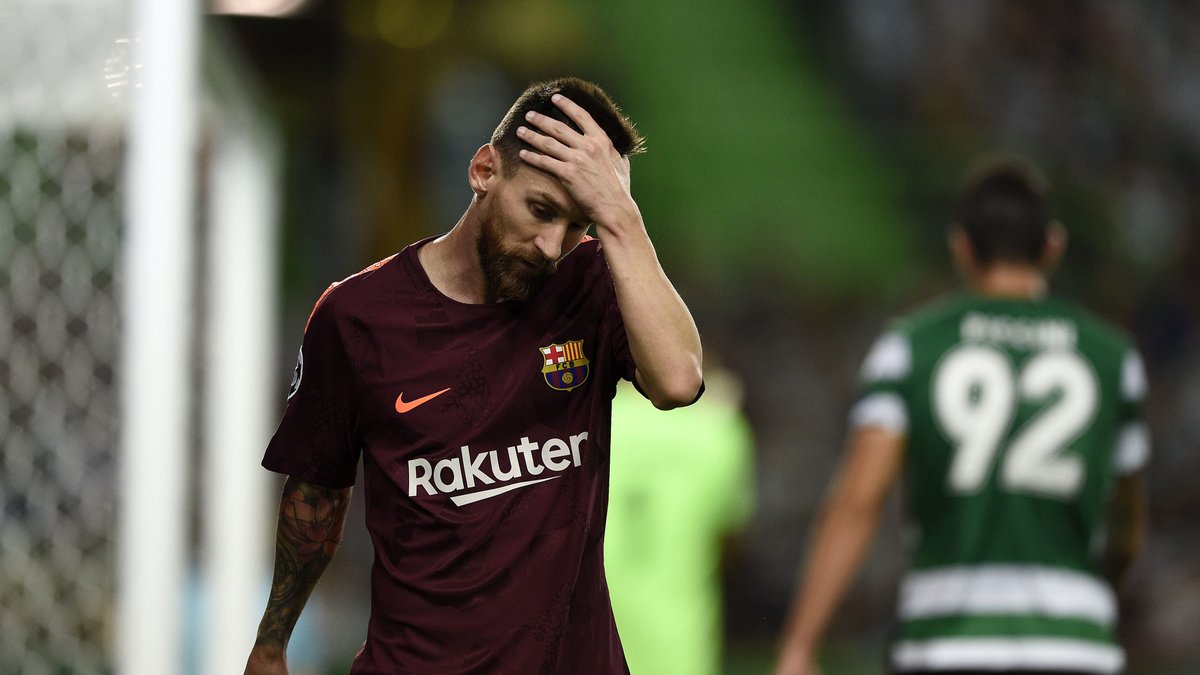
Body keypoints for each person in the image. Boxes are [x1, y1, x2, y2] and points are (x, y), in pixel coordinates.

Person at [243, 77, 704, 675]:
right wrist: (272, 644)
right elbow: (317, 492)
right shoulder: (357, 316)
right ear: (485, 170)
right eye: (541, 210)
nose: (551, 245)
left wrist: (621, 219)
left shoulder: (592, 282)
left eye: (578, 224)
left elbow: (678, 381)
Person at [773, 156, 1149, 675]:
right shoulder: (1113, 358)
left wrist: (800, 643)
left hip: (947, 636)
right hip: (1075, 643)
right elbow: (1126, 522)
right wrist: (1095, 590)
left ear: (961, 247)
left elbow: (859, 500)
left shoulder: (912, 348)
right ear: (1053, 247)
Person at [604, 367, 755, 675]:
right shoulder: (718, 429)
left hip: (593, 635)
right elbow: (731, 540)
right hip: (679, 642)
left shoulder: (593, 420)